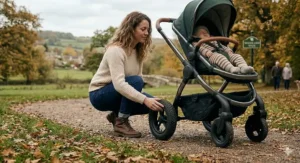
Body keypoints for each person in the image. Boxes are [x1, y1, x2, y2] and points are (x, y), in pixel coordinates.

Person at [89, 11, 164, 138]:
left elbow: (137, 80)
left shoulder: (138, 52)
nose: (146, 33)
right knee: (137, 84)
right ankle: (121, 122)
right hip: (99, 94)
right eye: (143, 29)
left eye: (148, 30)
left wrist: (147, 100)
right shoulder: (116, 50)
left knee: (154, 104)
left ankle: (116, 115)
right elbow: (119, 84)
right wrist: (144, 99)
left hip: (117, 92)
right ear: (131, 29)